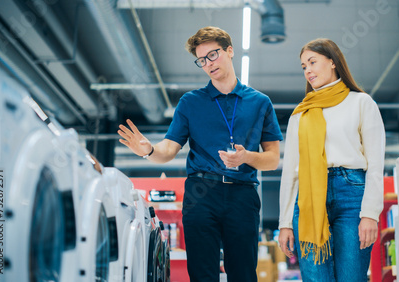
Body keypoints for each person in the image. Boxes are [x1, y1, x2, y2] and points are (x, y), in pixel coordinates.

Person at [118, 26, 283, 282]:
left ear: (229, 51)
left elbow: (272, 159)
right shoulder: (190, 102)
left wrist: (246, 157)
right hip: (200, 193)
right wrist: (149, 150)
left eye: (213, 55)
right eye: (202, 60)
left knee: (243, 274)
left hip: (243, 194)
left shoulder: (260, 102)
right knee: (202, 273)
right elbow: (169, 149)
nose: (208, 63)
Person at [277, 38, 385, 282]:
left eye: (312, 62)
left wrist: (370, 213)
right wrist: (284, 223)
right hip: (308, 199)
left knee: (351, 277)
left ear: (333, 62)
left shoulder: (361, 102)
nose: (308, 70)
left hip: (352, 195)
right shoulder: (300, 114)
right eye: (304, 66)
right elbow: (290, 174)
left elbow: (376, 164)